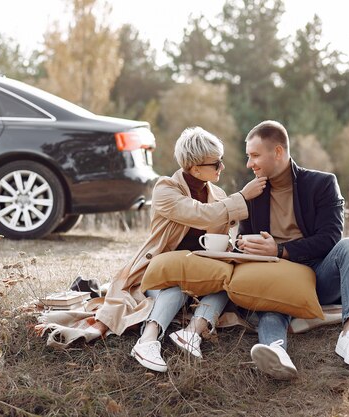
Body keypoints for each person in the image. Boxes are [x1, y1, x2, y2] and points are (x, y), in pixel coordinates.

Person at [67, 126, 265, 373]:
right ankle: (147, 341)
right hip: (158, 272)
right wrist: (242, 197)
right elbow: (200, 214)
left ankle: (192, 333)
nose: (221, 168)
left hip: (200, 271)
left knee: (225, 284)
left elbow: (218, 234)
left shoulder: (219, 194)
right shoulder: (165, 190)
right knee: (176, 289)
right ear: (194, 168)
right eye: (216, 163)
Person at [235, 120, 349, 380]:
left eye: (254, 156)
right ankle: (277, 352)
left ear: (277, 152)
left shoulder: (322, 184)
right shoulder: (253, 191)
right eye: (248, 157)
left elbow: (330, 238)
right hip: (276, 278)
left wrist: (279, 249)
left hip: (318, 275)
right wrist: (245, 244)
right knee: (271, 306)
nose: (249, 164)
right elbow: (241, 236)